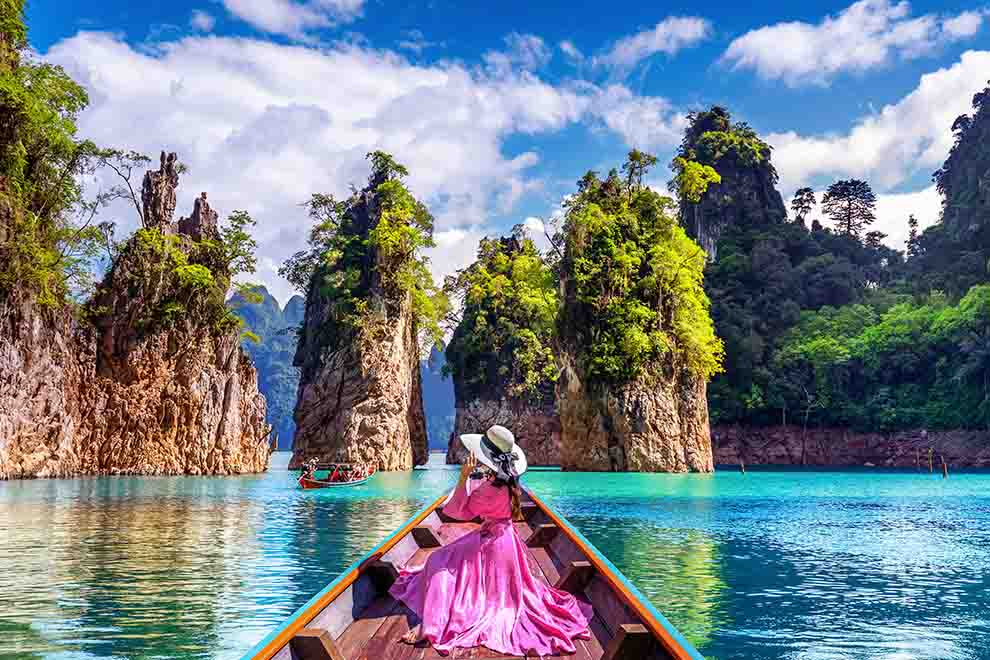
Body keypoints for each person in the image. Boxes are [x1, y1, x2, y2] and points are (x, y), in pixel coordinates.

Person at [389, 425, 592, 657]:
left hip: (490, 544)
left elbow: (457, 512)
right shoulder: (511, 482)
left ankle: (431, 625)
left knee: (437, 562)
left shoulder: (487, 490)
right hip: (507, 541)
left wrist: (464, 477)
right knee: (459, 567)